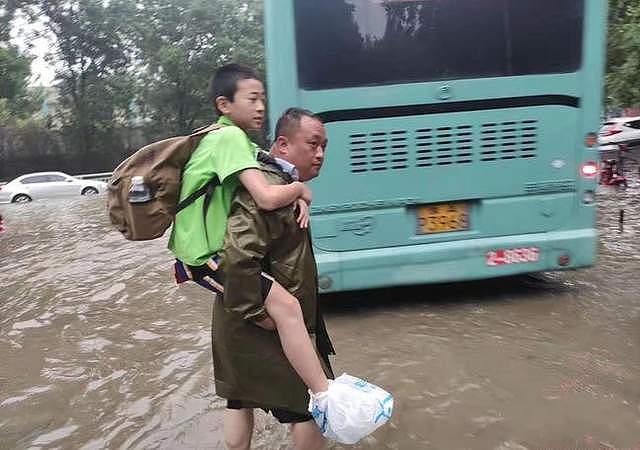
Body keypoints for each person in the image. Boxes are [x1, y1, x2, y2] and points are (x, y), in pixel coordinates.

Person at [170, 64, 331, 408]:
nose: (260, 107)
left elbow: (273, 167)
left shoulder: (230, 138)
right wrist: (301, 187)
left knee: (238, 401)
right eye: (252, 98)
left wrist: (300, 195)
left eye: (263, 99)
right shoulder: (228, 138)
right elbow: (266, 197)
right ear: (224, 104)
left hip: (201, 252)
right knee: (287, 308)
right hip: (208, 256)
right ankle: (324, 394)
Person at [215, 108, 333, 450]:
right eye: (312, 144)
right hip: (266, 322)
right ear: (282, 145)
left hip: (233, 314)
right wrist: (260, 315)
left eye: (325, 145)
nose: (321, 154)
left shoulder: (281, 187)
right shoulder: (272, 191)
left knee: (238, 399)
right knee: (313, 405)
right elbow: (238, 256)